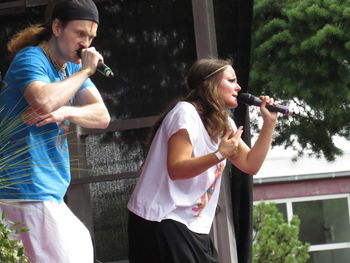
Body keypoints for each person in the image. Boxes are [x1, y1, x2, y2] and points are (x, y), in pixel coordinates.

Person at [127, 58, 278, 263]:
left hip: (191, 225)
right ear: (210, 84)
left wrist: (269, 124)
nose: (239, 87)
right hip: (162, 218)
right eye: (231, 80)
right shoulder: (185, 112)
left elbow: (251, 165)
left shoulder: (225, 123)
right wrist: (218, 155)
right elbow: (177, 169)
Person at [0, 0, 110, 262]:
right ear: (57, 27)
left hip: (46, 191)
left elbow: (102, 115)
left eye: (91, 37)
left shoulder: (71, 68)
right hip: (23, 189)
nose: (86, 43)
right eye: (80, 34)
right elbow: (44, 100)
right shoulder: (31, 58)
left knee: (80, 247)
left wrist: (67, 112)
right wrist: (85, 71)